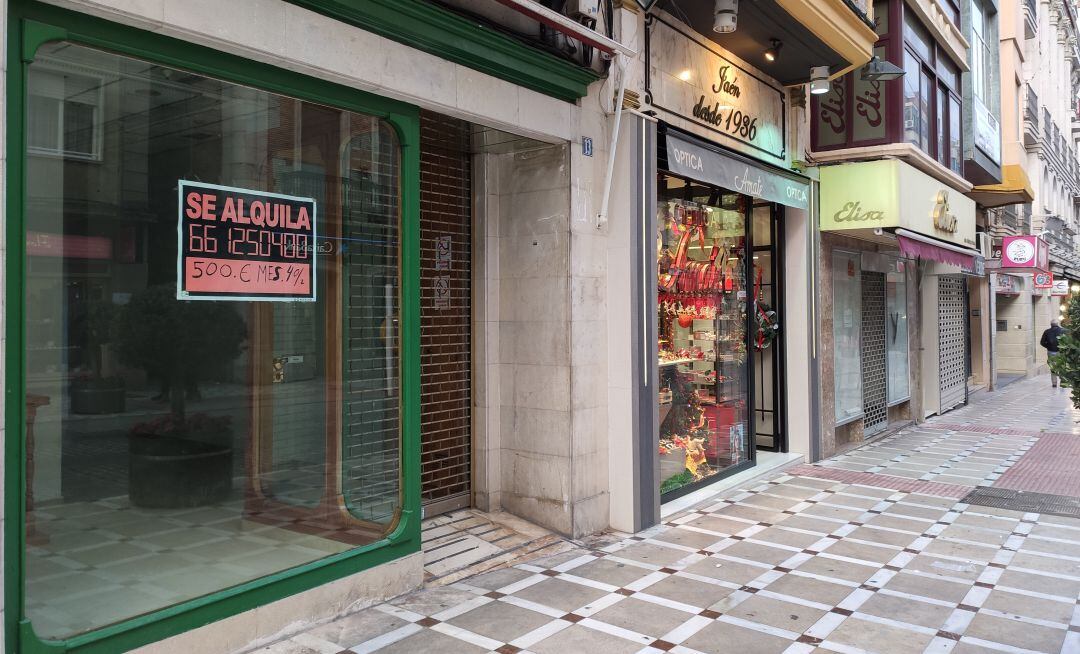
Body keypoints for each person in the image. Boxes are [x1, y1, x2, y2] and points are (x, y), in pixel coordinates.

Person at [1040, 320, 1066, 387]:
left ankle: (1054, 383)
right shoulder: (1063, 331)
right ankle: (1062, 382)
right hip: (1061, 352)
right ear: (1057, 324)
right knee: (1062, 367)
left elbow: (1042, 342)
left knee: (1053, 368)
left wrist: (1048, 346)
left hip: (1051, 352)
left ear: (1051, 324)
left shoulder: (1047, 331)